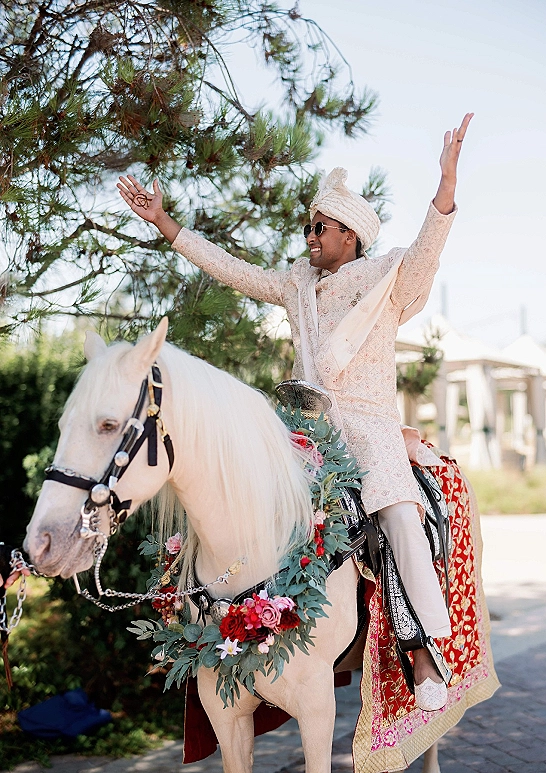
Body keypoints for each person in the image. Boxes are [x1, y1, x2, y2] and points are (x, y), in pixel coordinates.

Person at [117, 112, 473, 710]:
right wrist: (165, 224)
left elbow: (427, 251)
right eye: (308, 225)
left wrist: (445, 188)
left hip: (373, 434)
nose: (309, 234)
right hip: (309, 437)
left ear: (351, 238)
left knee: (401, 524)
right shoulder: (294, 283)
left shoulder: (386, 278)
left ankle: (422, 651)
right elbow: (233, 270)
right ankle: (247, 640)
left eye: (322, 226)